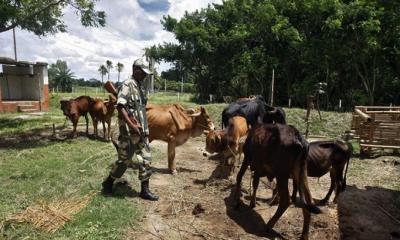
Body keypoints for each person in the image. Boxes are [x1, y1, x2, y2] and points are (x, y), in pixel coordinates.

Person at [101, 58, 159, 201]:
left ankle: (145, 191)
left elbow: (140, 109)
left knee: (146, 159)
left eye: (146, 73)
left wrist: (143, 127)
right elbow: (121, 107)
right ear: (135, 70)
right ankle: (108, 183)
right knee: (124, 161)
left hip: (141, 131)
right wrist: (132, 125)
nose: (145, 76)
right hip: (129, 132)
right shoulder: (127, 84)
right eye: (143, 72)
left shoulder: (139, 86)